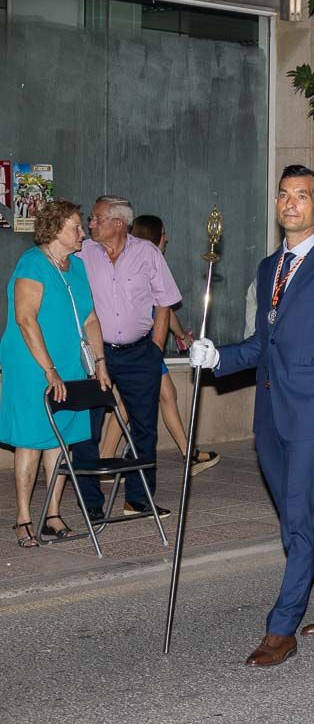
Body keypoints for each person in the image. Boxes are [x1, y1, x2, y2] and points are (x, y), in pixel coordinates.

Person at [188, 164, 314, 667]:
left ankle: (280, 627)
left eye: (302, 196)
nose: (290, 204)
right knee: (299, 515)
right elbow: (260, 345)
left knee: (299, 523)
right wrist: (218, 356)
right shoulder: (270, 268)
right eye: (284, 195)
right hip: (270, 415)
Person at [1, 200, 111, 548]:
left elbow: (91, 319)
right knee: (33, 440)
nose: (83, 233)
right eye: (77, 227)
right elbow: (26, 319)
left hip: (69, 364)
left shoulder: (76, 267)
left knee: (61, 440)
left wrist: (100, 364)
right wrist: (49, 370)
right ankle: (23, 518)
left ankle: (52, 515)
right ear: (55, 229)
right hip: (34, 366)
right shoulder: (32, 264)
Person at [74, 195, 182, 520]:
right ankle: (91, 503)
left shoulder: (147, 253)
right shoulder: (83, 253)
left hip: (140, 354)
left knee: (144, 427)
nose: (90, 224)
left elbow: (165, 301)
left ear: (117, 223)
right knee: (87, 428)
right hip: (97, 354)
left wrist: (156, 348)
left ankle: (138, 498)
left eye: (95, 218)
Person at [98, 215, 220, 475]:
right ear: (155, 236)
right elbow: (164, 308)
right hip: (143, 349)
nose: (167, 238)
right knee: (138, 401)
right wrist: (183, 337)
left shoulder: (141, 258)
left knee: (163, 396)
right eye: (164, 233)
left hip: (145, 348)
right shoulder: (148, 259)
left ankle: (187, 453)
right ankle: (108, 458)